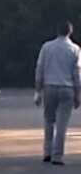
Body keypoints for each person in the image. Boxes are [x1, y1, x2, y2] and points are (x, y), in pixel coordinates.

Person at [35, 20, 81, 165]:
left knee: (49, 121)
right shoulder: (75, 49)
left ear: (57, 31)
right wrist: (78, 93)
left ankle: (47, 152)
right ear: (70, 32)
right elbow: (77, 73)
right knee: (62, 124)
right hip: (67, 88)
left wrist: (38, 91)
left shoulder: (47, 47)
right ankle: (57, 156)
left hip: (49, 87)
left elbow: (40, 69)